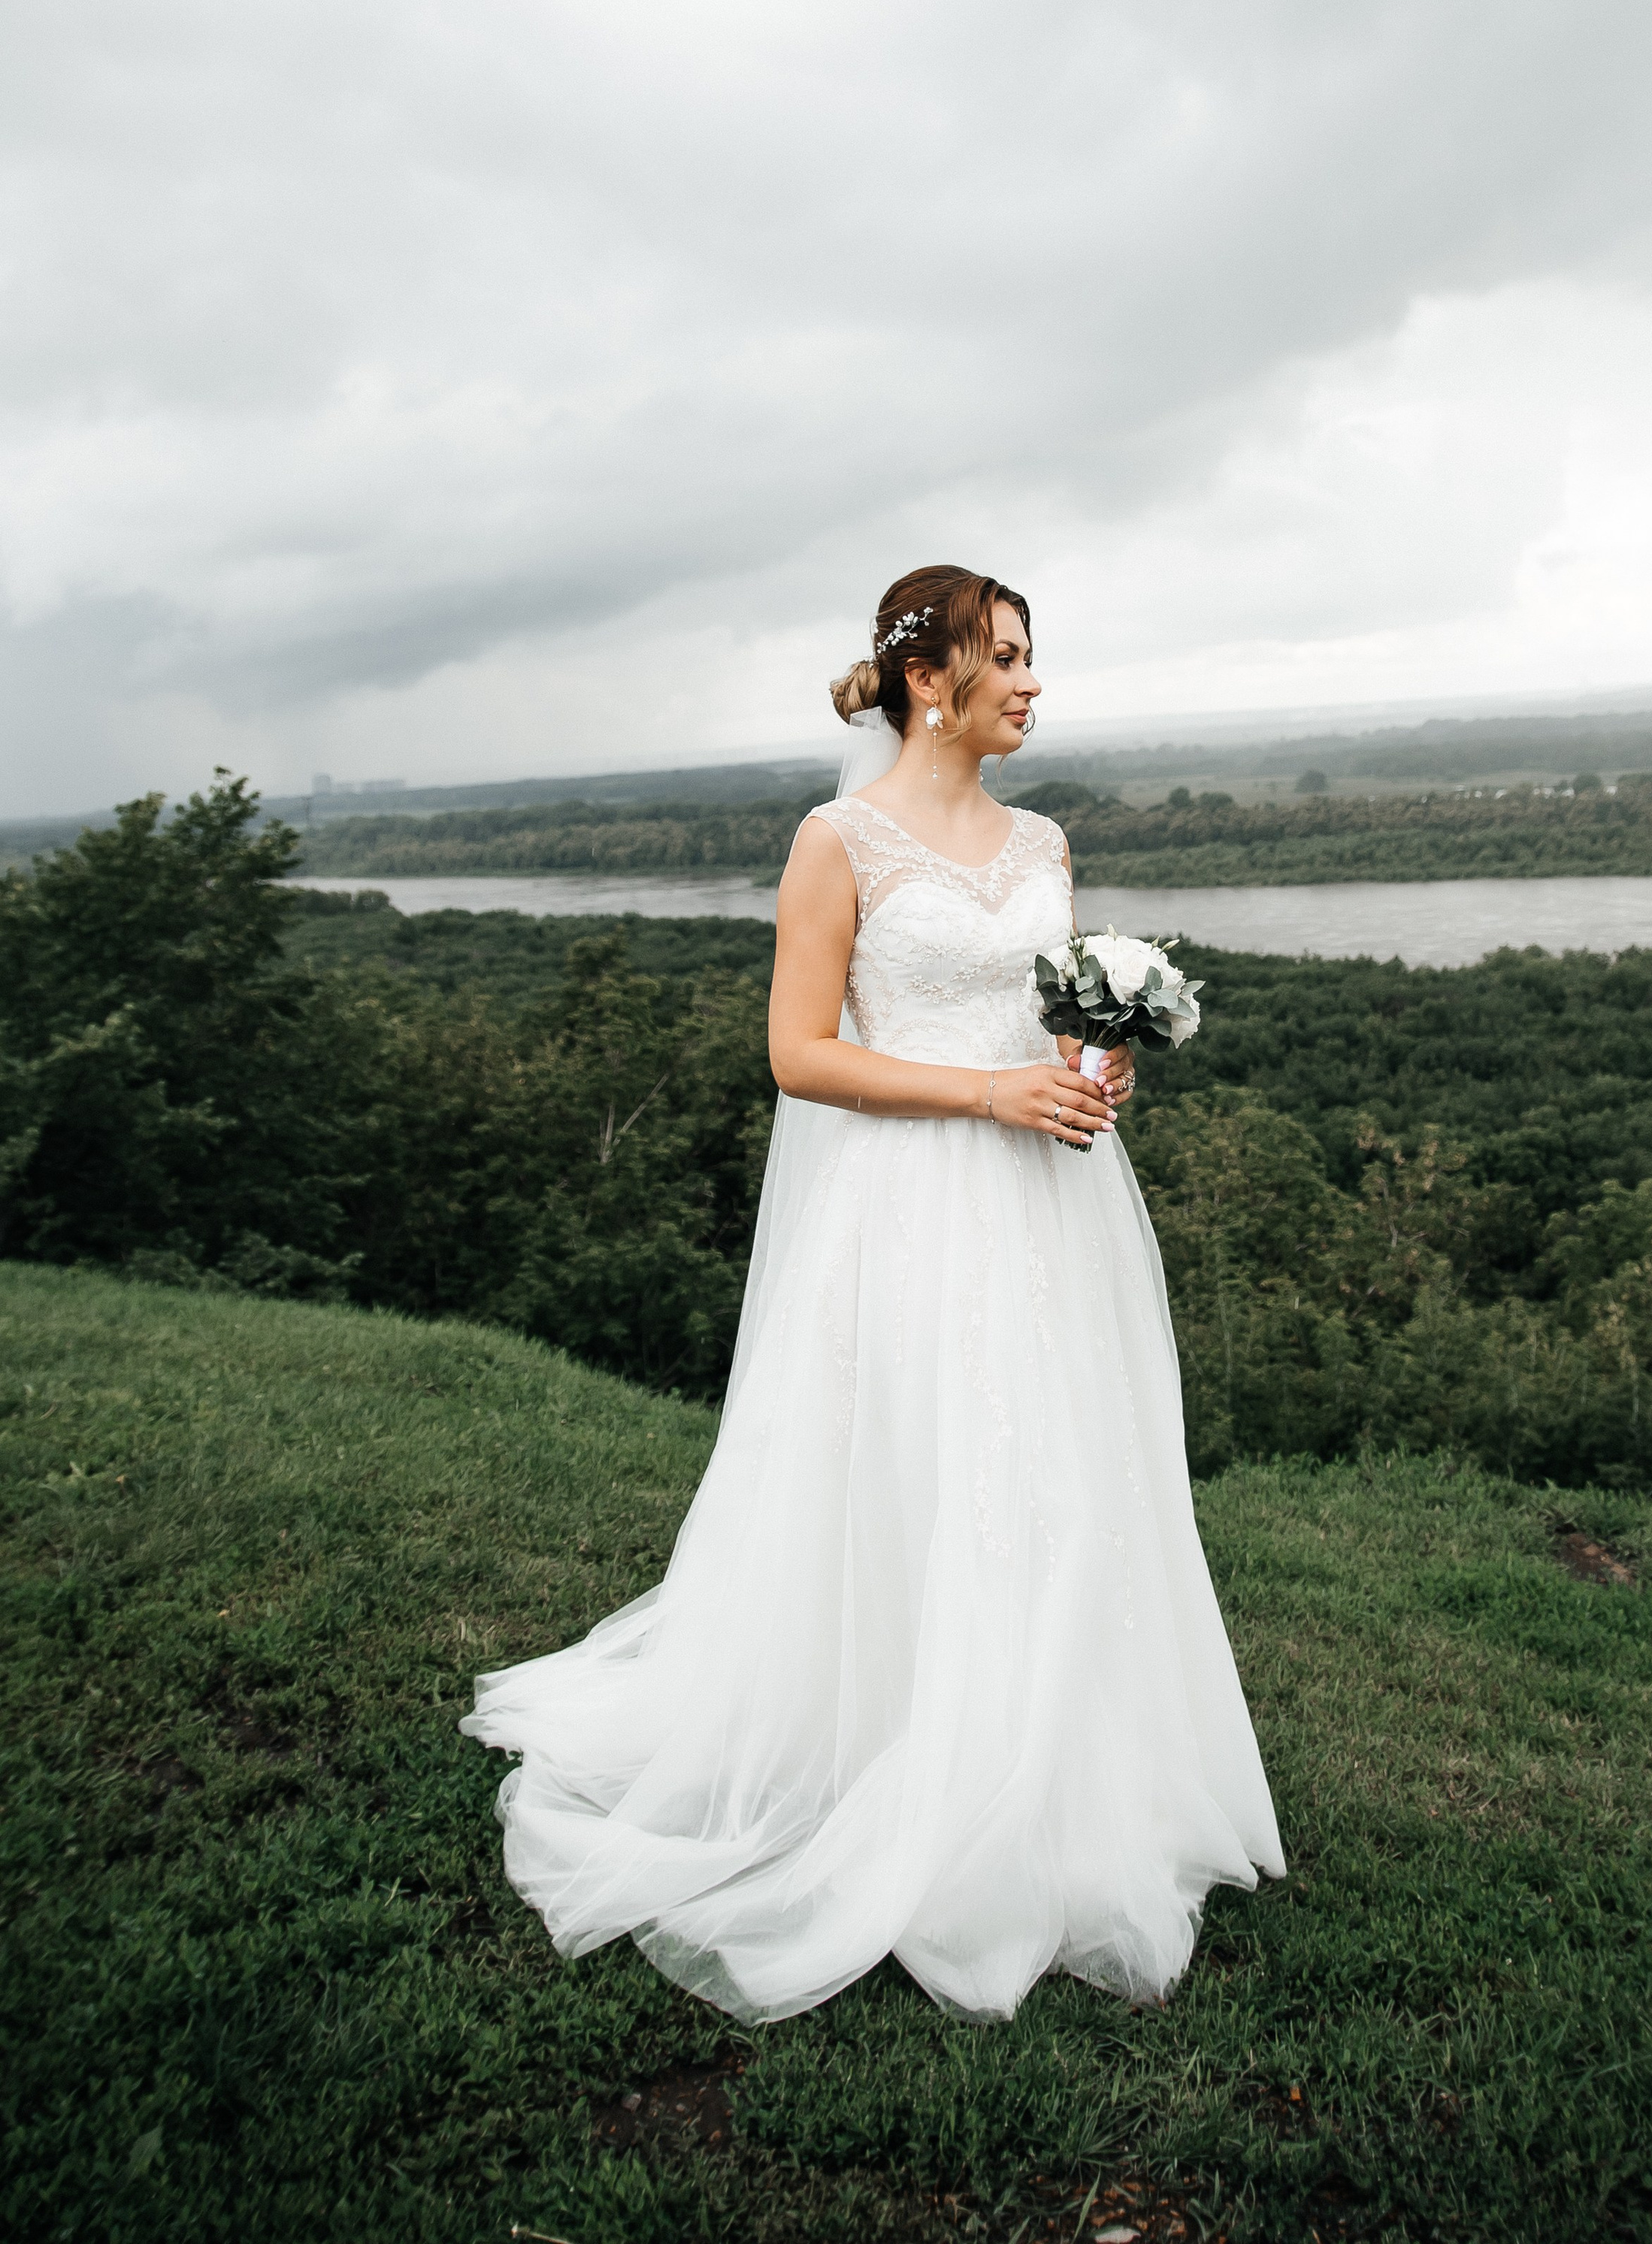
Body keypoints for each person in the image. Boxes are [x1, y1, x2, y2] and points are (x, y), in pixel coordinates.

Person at [461, 564, 1284, 2022]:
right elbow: (797, 1054)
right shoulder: (836, 839)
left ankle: (1049, 1773)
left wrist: (1097, 1061)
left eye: (1035, 658)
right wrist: (983, 1092)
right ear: (927, 679)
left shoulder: (1042, 837)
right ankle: (891, 1755)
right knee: (918, 1469)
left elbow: (1041, 1013)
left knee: (1053, 1474)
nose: (1031, 682)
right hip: (905, 1203)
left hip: (1052, 1204)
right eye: (1007, 656)